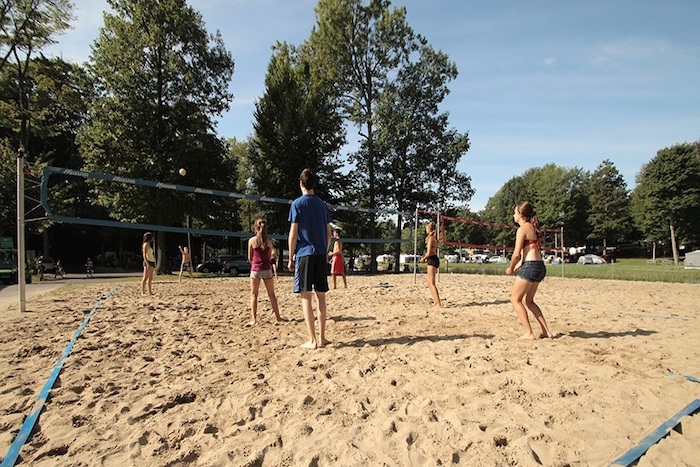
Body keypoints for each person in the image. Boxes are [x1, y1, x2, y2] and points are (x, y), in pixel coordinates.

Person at [288, 168, 332, 349]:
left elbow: (293, 233)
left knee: (305, 297)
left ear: (301, 183)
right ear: (314, 184)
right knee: (321, 297)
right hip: (320, 253)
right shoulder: (322, 204)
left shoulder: (297, 204)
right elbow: (329, 233)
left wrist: (291, 257)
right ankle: (322, 339)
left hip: (305, 253)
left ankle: (312, 340)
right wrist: (324, 249)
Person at [505, 201, 554, 340]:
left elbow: (516, 254)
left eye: (515, 212)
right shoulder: (531, 227)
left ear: (521, 214)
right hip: (539, 266)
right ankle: (546, 331)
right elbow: (526, 254)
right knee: (529, 301)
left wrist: (510, 268)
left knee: (515, 299)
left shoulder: (523, 228)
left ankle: (529, 333)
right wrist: (514, 268)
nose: (513, 215)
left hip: (531, 266)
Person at [246, 218, 282, 326]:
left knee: (254, 295)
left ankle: (254, 319)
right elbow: (269, 256)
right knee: (271, 294)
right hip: (266, 269)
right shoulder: (269, 242)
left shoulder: (252, 241)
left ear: (255, 228)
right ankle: (278, 317)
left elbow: (250, 257)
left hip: (255, 269)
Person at [420, 221, 442, 307]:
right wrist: (426, 259)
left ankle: (438, 303)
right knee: (429, 283)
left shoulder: (431, 239)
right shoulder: (434, 238)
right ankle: (436, 302)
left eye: (426, 228)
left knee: (431, 283)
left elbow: (429, 252)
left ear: (429, 229)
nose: (426, 230)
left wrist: (423, 259)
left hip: (432, 260)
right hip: (433, 259)